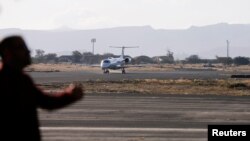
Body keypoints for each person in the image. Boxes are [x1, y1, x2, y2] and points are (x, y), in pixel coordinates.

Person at [0, 36, 84, 141]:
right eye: (21, 47)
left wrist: (70, 95)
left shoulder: (23, 80)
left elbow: (46, 102)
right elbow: (46, 102)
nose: (28, 51)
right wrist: (70, 95)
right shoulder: (13, 81)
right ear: (7, 53)